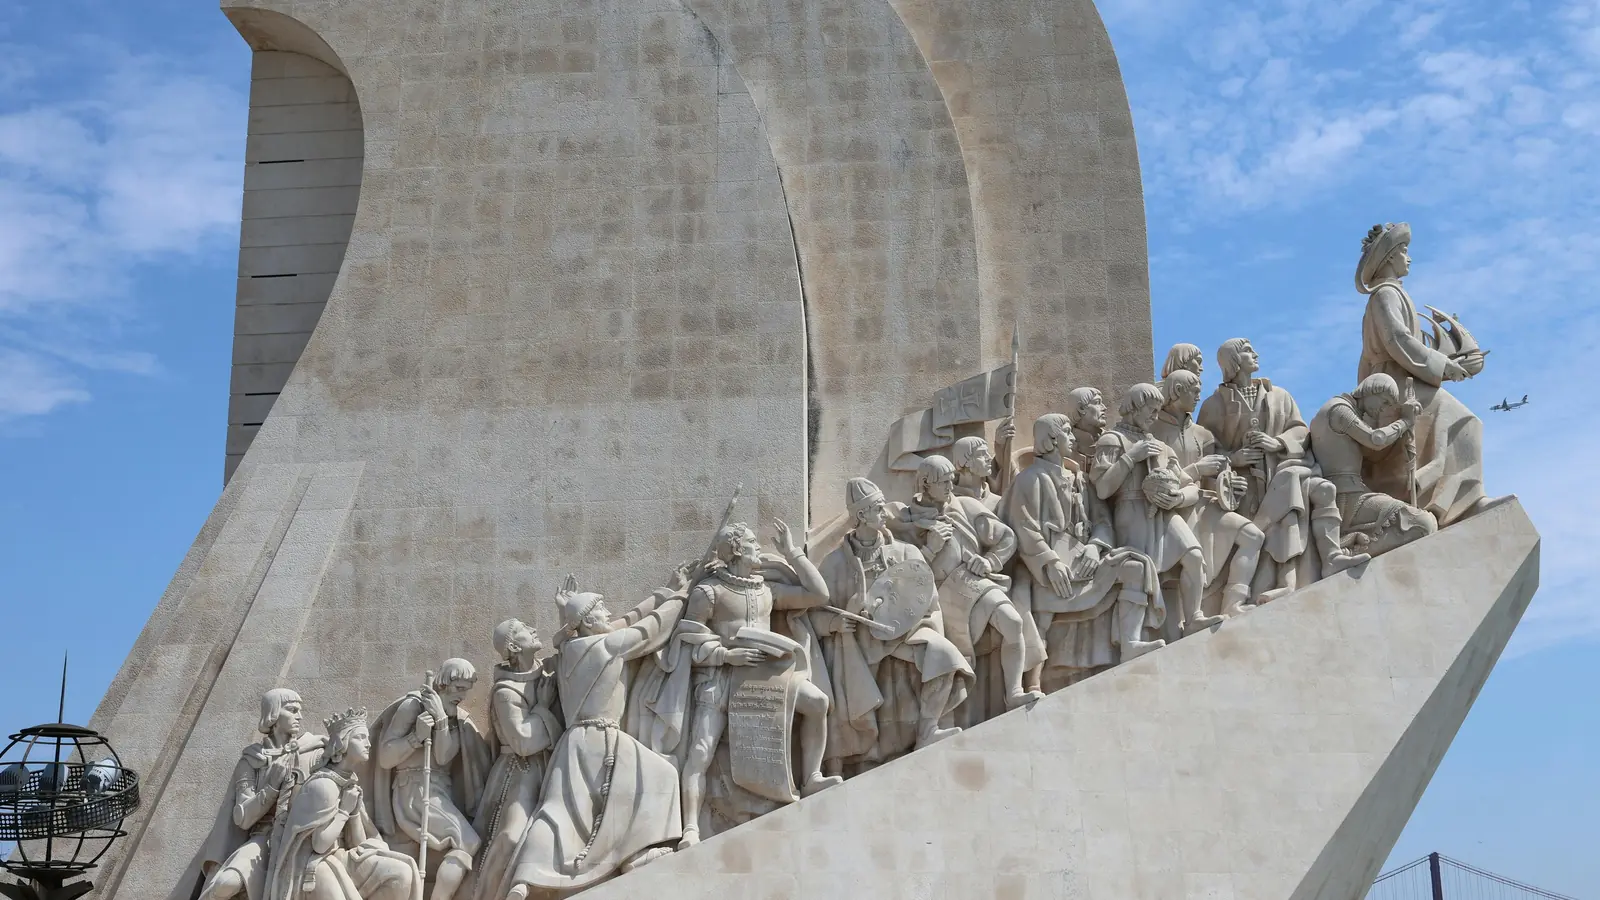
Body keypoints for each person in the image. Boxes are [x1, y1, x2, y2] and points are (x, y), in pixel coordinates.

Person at [503, 577, 688, 898]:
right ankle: (634, 854)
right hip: (604, 737)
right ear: (588, 620)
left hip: (572, 744)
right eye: (601, 609)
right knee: (664, 775)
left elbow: (625, 620)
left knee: (558, 810)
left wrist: (664, 591)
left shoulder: (569, 651)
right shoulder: (608, 645)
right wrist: (681, 596)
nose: (608, 613)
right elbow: (650, 629)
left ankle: (525, 875)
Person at [675, 520, 842, 848]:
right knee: (700, 749)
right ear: (737, 550)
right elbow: (687, 640)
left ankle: (810, 778)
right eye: (752, 542)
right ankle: (691, 828)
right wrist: (726, 655)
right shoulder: (709, 591)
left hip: (764, 677)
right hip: (721, 677)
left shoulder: (766, 590)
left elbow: (819, 593)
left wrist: (792, 552)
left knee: (818, 703)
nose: (759, 548)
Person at [813, 477, 970, 771]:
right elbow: (815, 614)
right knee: (844, 673)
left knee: (945, 655)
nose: (885, 512)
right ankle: (837, 762)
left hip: (903, 635)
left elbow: (927, 597)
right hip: (861, 643)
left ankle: (927, 730)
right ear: (861, 516)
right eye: (878, 508)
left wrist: (919, 624)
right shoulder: (834, 565)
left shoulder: (905, 552)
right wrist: (837, 622)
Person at [1198, 337, 1365, 596]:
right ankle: (1281, 584)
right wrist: (1234, 459)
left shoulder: (1280, 396)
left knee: (1323, 490)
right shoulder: (1213, 406)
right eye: (1246, 351)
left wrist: (1277, 442)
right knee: (1285, 508)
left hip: (1286, 471)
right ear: (1232, 361)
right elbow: (1206, 451)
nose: (1255, 353)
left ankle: (1331, 556)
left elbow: (1299, 430)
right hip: (1246, 489)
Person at [1008, 414, 1163, 692]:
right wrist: (1050, 563)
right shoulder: (1029, 479)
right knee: (1038, 613)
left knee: (1136, 568)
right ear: (1052, 440)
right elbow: (1024, 528)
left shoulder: (1080, 478)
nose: (1072, 438)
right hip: (1050, 570)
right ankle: (1032, 683)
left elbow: (1103, 520)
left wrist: (1095, 546)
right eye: (1067, 432)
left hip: (1085, 561)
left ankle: (1130, 643)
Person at [1355, 222, 1496, 525]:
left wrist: (1448, 360)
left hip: (1405, 378)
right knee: (1465, 422)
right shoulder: (1385, 295)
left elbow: (1407, 343)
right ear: (1389, 257)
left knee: (1461, 424)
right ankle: (1459, 504)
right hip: (1394, 385)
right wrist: (1443, 366)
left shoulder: (1393, 294)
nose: (1409, 257)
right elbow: (1398, 341)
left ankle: (1454, 501)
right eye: (1403, 251)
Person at [898, 455, 1045, 718]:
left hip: (972, 581)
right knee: (951, 660)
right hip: (941, 596)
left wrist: (988, 561)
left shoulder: (964, 506)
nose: (948, 487)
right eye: (941, 482)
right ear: (925, 484)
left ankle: (1013, 693)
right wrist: (929, 550)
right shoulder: (906, 520)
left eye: (950, 480)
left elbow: (1007, 538)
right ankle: (933, 723)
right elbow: (904, 574)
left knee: (1013, 622)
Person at [1093, 384, 1224, 640]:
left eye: (1157, 411)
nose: (1154, 416)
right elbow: (1102, 489)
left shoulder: (1161, 447)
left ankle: (1194, 617)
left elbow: (1188, 485)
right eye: (1150, 411)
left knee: (1195, 556)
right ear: (1135, 407)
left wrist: (1178, 497)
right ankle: (1134, 638)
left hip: (1165, 512)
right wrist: (1131, 456)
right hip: (1131, 511)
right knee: (1143, 573)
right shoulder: (1112, 440)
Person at [263, 708, 423, 900]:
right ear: (342, 744)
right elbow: (320, 844)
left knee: (401, 873)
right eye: (360, 738)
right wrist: (345, 811)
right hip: (312, 865)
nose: (368, 743)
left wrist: (354, 814)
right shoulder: (323, 786)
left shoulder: (349, 783)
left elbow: (356, 842)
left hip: (340, 856)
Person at [373, 660, 491, 900]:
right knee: (466, 842)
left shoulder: (452, 717)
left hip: (438, 790)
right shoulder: (413, 706)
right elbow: (385, 757)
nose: (463, 695)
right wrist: (416, 737)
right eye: (458, 688)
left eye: (466, 689)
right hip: (415, 790)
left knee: (466, 843)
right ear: (443, 684)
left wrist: (441, 722)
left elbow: (443, 754)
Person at [1153, 368, 1265, 617]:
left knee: (1253, 536)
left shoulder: (1203, 435)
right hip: (1171, 510)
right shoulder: (1153, 431)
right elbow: (1156, 481)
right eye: (1193, 391)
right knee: (1190, 561)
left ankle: (1233, 603)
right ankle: (1191, 616)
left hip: (1204, 505)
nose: (1197, 397)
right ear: (1178, 391)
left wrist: (1231, 485)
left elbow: (1215, 476)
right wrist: (1195, 469)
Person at [198, 689, 326, 900]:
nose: (299, 716)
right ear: (274, 714)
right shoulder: (251, 760)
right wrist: (271, 786)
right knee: (225, 884)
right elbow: (244, 818)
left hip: (301, 838)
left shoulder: (313, 749)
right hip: (264, 837)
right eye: (292, 710)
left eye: (300, 710)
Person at [472, 620, 563, 900]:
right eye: (524, 628)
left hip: (552, 763)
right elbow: (523, 742)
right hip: (519, 771)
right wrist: (543, 708)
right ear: (513, 646)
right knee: (511, 837)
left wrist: (566, 615)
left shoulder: (548, 670)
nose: (535, 629)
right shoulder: (505, 692)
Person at [1308, 373, 1438, 557]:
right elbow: (1375, 439)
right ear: (1371, 390)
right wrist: (1405, 421)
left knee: (1425, 523)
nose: (1383, 408)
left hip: (1351, 493)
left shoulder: (1346, 411)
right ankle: (1348, 552)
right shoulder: (1339, 410)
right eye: (1384, 401)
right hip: (1345, 497)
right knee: (1421, 523)